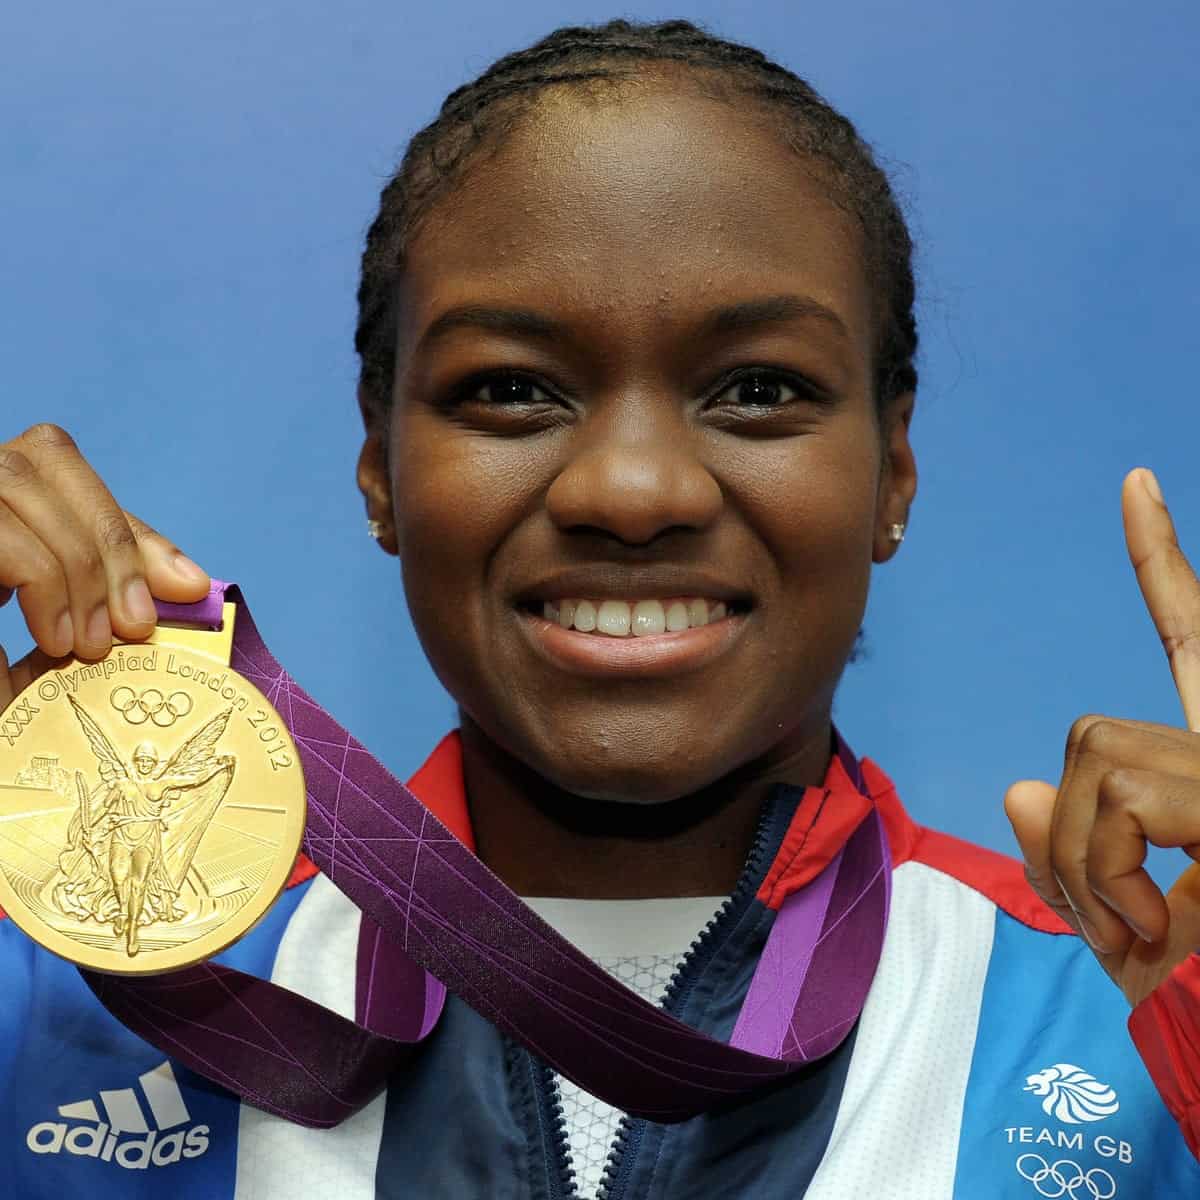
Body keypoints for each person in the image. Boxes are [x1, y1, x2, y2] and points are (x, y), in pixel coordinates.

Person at [0, 16, 1198, 1199]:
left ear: (894, 469)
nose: (633, 491)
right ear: (379, 465)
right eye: (512, 390)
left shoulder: (1121, 1008)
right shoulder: (60, 1005)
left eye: (760, 389)